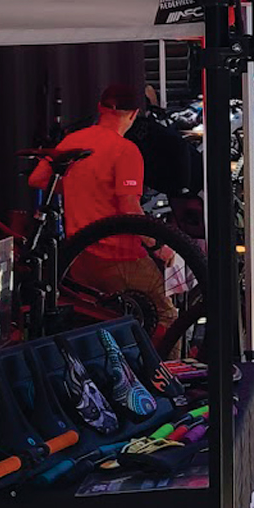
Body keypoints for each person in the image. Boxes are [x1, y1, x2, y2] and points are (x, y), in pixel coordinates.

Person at [27, 84, 176, 340]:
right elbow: (129, 207)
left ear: (100, 107)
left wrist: (79, 187)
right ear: (134, 114)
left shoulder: (73, 140)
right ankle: (162, 376)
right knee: (167, 316)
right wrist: (158, 246)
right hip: (120, 257)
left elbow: (37, 179)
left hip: (80, 257)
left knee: (97, 322)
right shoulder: (125, 150)